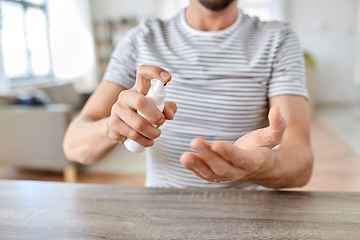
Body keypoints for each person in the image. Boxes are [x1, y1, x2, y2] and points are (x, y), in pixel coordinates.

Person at [63, 0, 313, 189]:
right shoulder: (142, 39)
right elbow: (74, 147)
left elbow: (301, 162)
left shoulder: (278, 40)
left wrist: (259, 166)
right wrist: (112, 127)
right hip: (162, 218)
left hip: (247, 216)